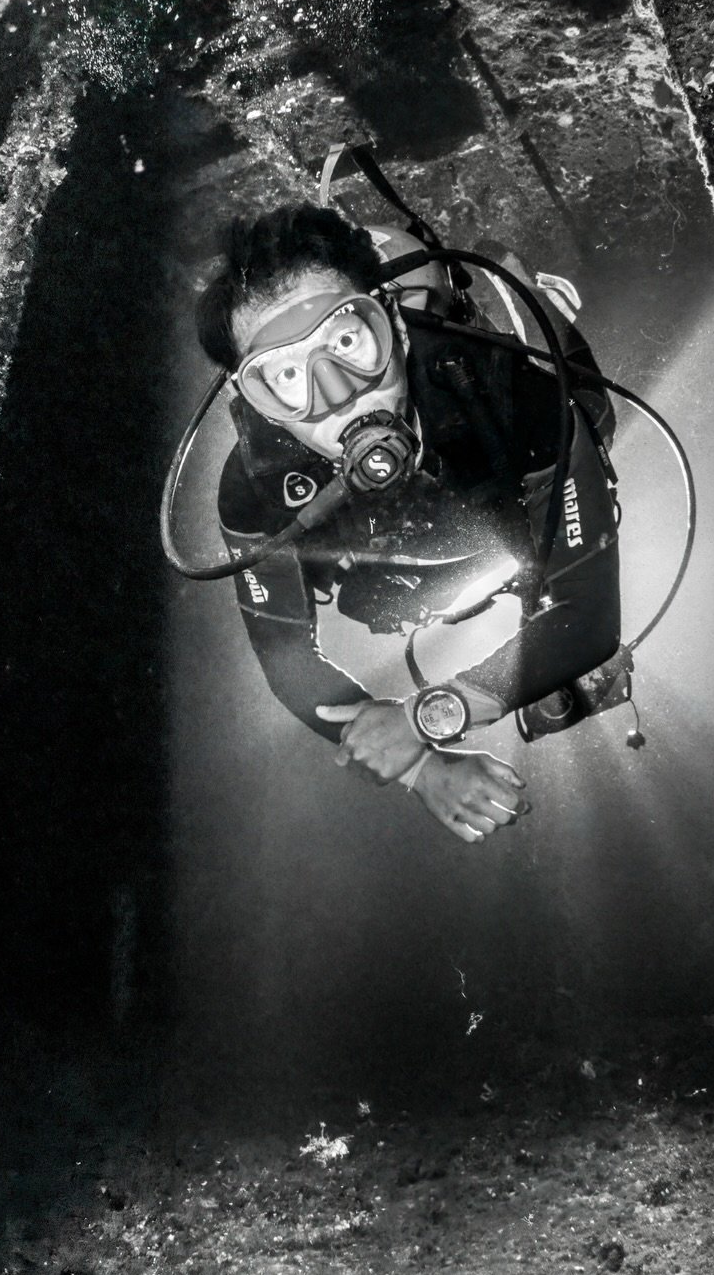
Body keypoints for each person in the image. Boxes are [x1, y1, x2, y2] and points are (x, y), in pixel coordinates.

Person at [196, 202, 623, 844]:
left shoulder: (509, 389)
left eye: (347, 341)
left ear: (392, 319)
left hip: (512, 517)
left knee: (591, 412)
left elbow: (587, 613)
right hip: (428, 567)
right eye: (286, 377)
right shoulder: (254, 490)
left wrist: (429, 716)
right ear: (255, 403)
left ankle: (526, 292)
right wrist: (419, 767)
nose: (338, 395)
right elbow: (285, 651)